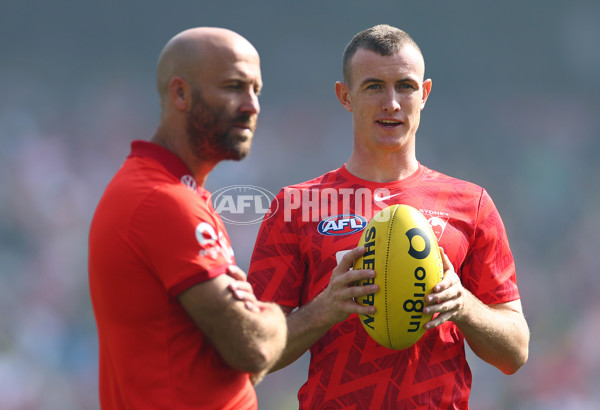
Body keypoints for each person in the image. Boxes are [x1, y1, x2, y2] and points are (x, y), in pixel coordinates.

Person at [247, 24, 529, 409]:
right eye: (374, 86)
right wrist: (323, 310)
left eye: (406, 86)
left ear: (425, 93)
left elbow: (515, 351)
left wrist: (462, 304)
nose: (392, 103)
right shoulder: (296, 206)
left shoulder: (471, 203)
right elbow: (251, 354)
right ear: (344, 96)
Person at [88, 27, 287, 409]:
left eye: (256, 90)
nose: (252, 106)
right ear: (180, 93)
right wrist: (271, 314)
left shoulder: (172, 191)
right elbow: (254, 349)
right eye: (233, 87)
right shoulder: (163, 201)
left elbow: (234, 359)